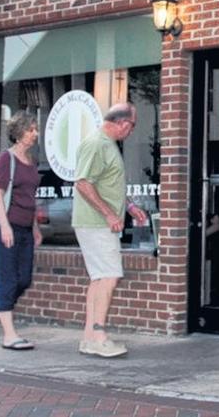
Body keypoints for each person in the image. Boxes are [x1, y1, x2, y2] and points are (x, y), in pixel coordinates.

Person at [72, 103, 149, 358]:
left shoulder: (106, 145)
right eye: (132, 127)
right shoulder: (96, 144)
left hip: (97, 222)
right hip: (97, 224)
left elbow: (106, 184)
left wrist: (128, 207)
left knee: (99, 278)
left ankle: (88, 337)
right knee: (109, 276)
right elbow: (82, 183)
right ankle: (99, 336)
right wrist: (108, 214)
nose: (130, 133)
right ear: (123, 123)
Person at [0, 111, 43, 350]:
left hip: (25, 228)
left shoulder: (31, 161)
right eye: (31, 129)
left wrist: (34, 227)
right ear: (19, 132)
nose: (36, 133)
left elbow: (30, 197)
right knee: (7, 279)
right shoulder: (7, 159)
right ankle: (10, 335)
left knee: (23, 279)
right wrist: (4, 226)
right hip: (8, 228)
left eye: (36, 129)